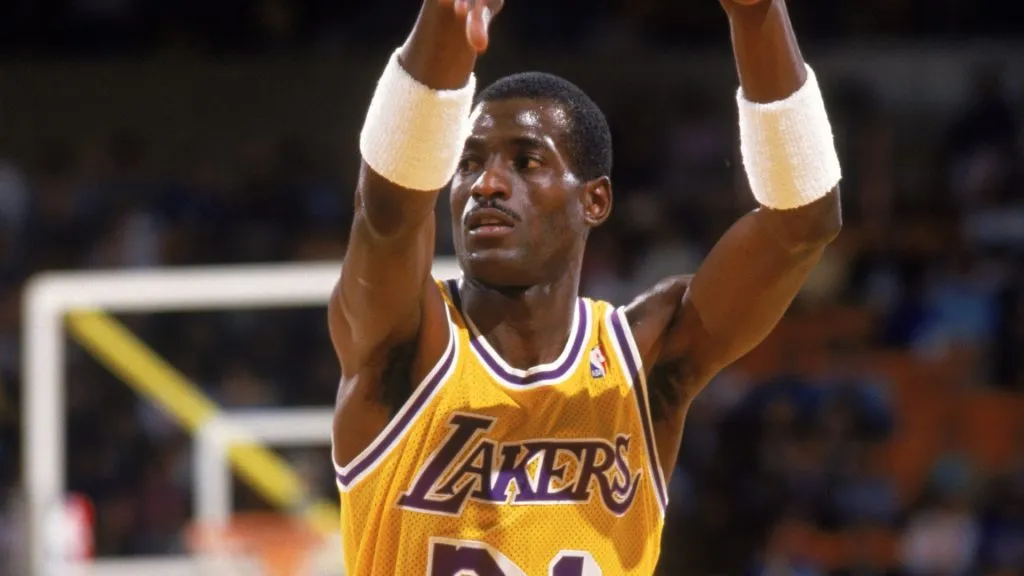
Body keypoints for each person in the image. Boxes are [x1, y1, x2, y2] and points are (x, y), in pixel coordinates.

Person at [328, 0, 842, 573]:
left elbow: (804, 225)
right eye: (468, 164)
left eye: (525, 162)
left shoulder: (643, 361)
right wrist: (443, 20)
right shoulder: (408, 340)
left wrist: (758, 16)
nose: (487, 184)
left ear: (593, 201)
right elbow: (385, 212)